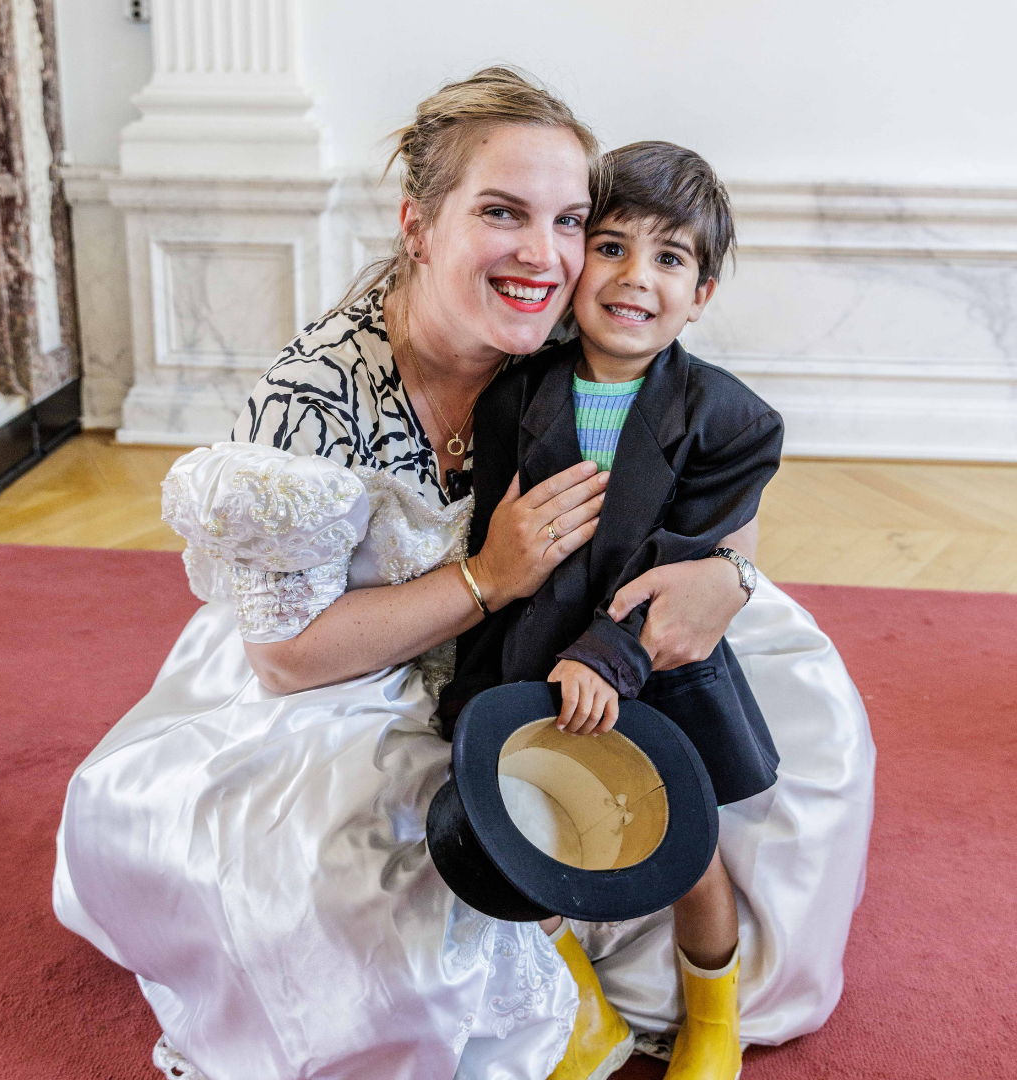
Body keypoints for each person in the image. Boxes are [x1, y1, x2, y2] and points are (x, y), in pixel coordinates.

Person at [52, 68, 874, 1080]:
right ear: (418, 223)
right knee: (365, 884)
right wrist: (492, 575)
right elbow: (286, 660)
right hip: (346, 671)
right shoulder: (315, 400)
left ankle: (699, 991)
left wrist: (728, 582)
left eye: (571, 219)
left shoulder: (583, 321)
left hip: (573, 625)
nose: (548, 254)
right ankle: (555, 1004)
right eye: (501, 212)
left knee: (792, 721)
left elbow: (708, 494)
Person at [450, 141, 786, 1080]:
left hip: (656, 663)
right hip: (530, 656)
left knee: (692, 851)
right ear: (575, 259)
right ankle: (582, 1012)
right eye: (611, 247)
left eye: (670, 259)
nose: (636, 279)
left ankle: (710, 1016)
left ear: (702, 292)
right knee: (530, 847)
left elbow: (685, 563)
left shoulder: (732, 420)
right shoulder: (516, 390)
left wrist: (608, 657)